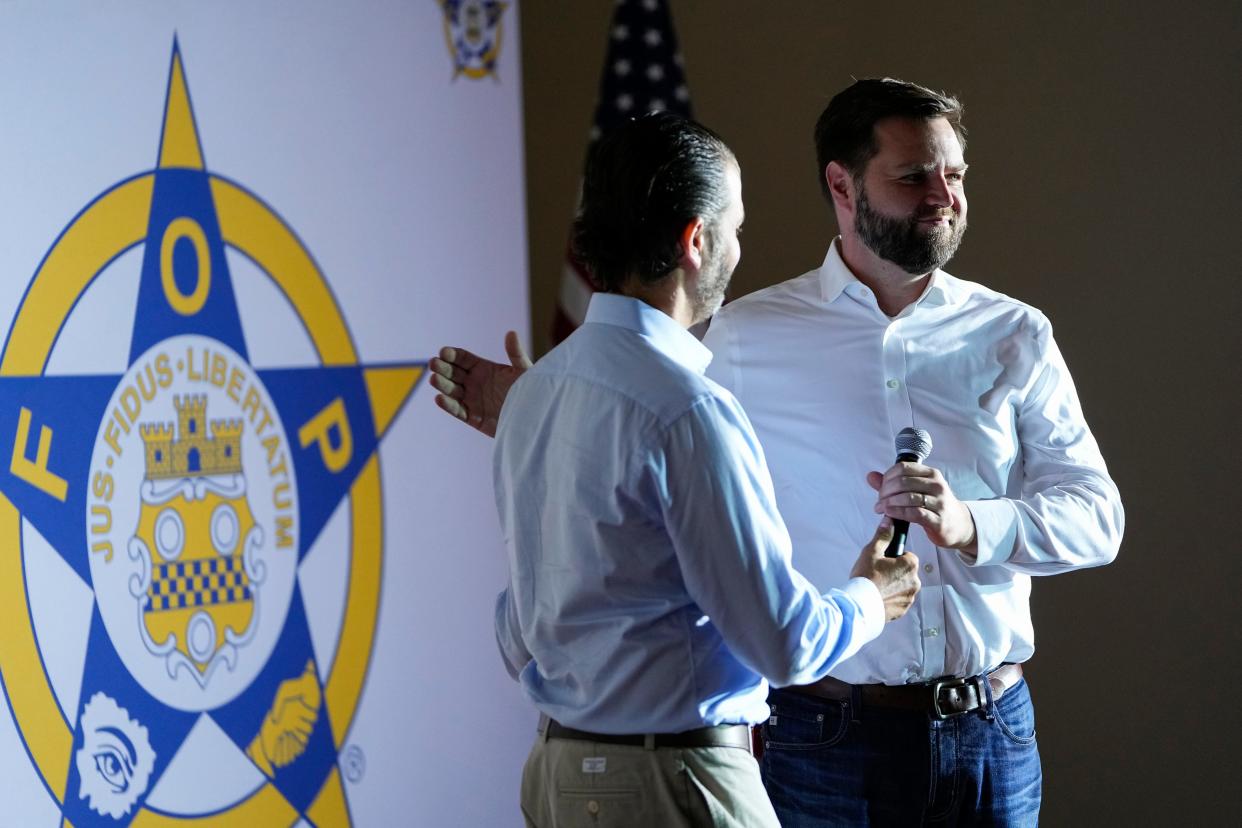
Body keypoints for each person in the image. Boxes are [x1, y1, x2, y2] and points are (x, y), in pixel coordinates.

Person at [431, 79, 1125, 825]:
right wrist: (559, 412)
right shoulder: (737, 343)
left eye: (954, 174)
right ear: (842, 185)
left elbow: (1099, 520)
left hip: (991, 729)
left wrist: (974, 526)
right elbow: (644, 444)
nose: (942, 196)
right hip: (823, 739)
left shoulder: (1016, 334)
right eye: (913, 175)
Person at [437, 111, 921, 828]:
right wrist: (870, 598)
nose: (739, 245)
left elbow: (519, 636)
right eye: (735, 226)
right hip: (675, 785)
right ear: (696, 239)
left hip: (554, 779)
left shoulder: (534, 397)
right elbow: (784, 643)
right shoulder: (689, 409)